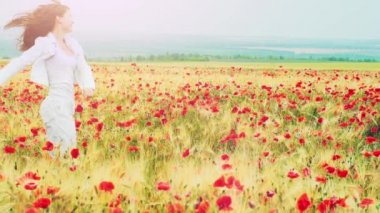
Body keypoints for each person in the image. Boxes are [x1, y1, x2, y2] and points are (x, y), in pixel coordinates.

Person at [0, 1, 96, 159]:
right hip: (55, 106)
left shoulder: (73, 44)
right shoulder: (45, 43)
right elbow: (20, 62)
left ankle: (58, 180)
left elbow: (83, 66)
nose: (73, 20)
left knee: (62, 151)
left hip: (67, 105)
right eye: (69, 16)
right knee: (67, 150)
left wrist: (87, 85)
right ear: (58, 18)